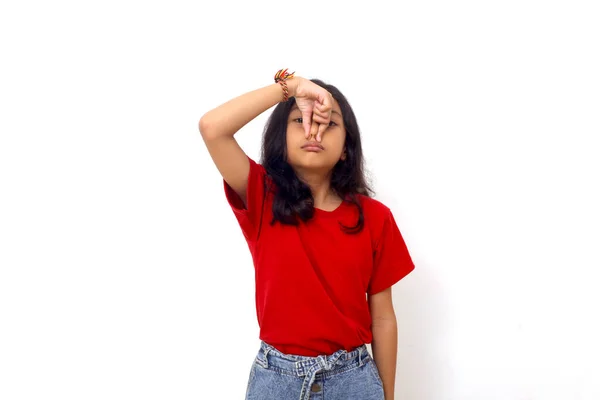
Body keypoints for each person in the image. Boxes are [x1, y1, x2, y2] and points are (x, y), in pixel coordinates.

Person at [198, 69, 415, 400]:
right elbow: (212, 128)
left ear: (346, 148)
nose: (314, 130)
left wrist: (388, 396)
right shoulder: (261, 196)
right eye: (300, 120)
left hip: (354, 380)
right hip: (276, 379)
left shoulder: (375, 218)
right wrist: (292, 87)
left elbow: (383, 317)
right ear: (280, 139)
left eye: (328, 124)